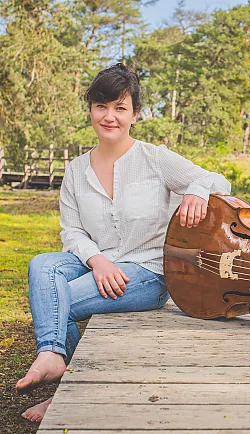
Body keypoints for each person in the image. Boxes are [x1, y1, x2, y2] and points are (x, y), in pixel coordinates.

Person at [16, 63, 231, 422]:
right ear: (90, 110)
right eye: (101, 106)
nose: (109, 116)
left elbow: (216, 180)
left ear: (135, 114)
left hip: (147, 271)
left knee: (58, 300)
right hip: (96, 262)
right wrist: (98, 261)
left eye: (120, 108)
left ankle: (61, 385)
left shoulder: (154, 158)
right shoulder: (75, 170)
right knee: (42, 265)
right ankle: (55, 361)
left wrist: (196, 190)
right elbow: (71, 231)